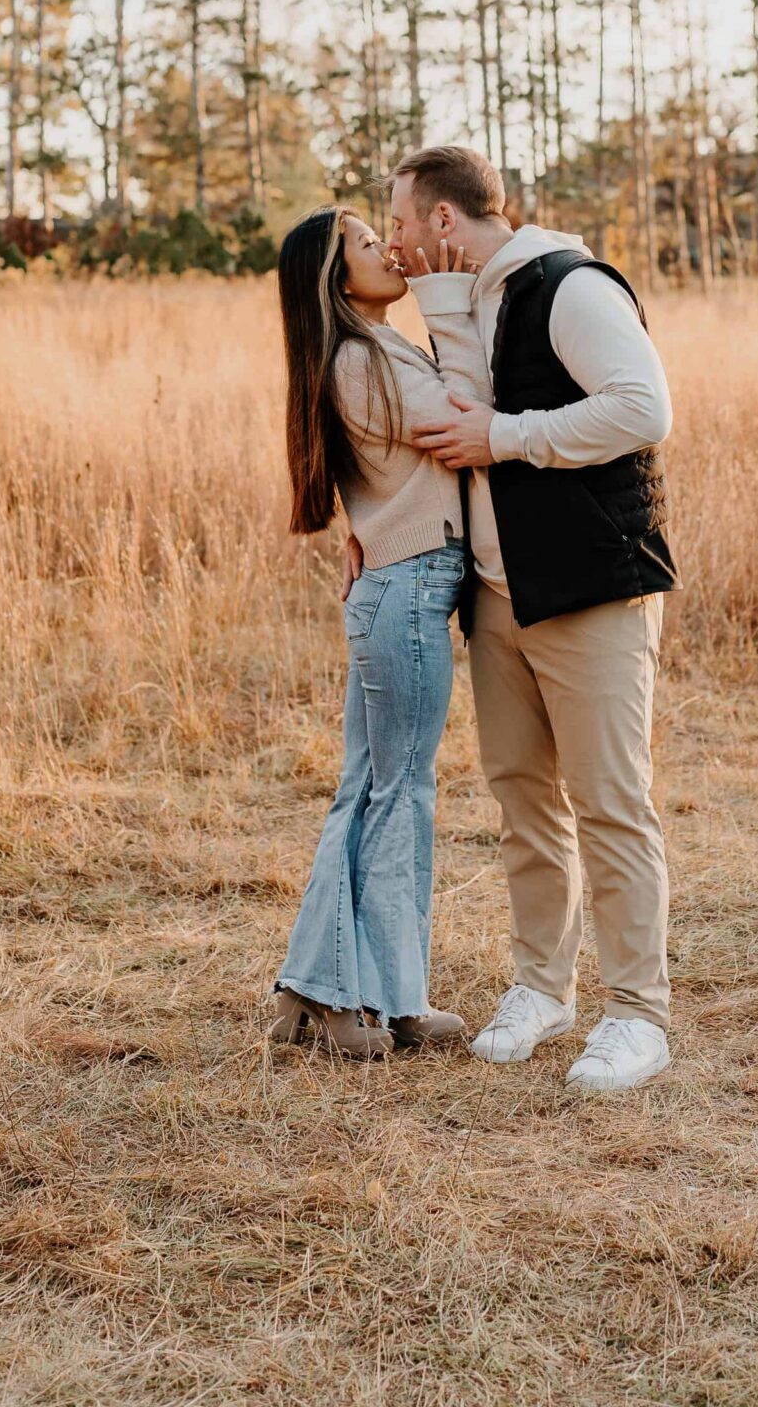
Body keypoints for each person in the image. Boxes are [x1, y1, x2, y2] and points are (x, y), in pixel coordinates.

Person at [392, 145, 677, 1094]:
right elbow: (461, 410)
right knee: (524, 800)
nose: (392, 239)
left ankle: (639, 1016)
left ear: (443, 220)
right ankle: (541, 986)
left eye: (401, 219)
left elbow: (644, 409)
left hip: (591, 589)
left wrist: (507, 438)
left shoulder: (568, 285)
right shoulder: (469, 300)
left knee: (611, 804)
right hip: (499, 595)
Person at [266, 206, 483, 1058]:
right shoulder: (361, 358)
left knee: (372, 790)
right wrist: (443, 287)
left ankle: (321, 990)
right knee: (399, 793)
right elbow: (462, 415)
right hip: (410, 584)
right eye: (365, 243)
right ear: (335, 278)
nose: (385, 249)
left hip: (396, 582)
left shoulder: (371, 348)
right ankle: (371, 999)